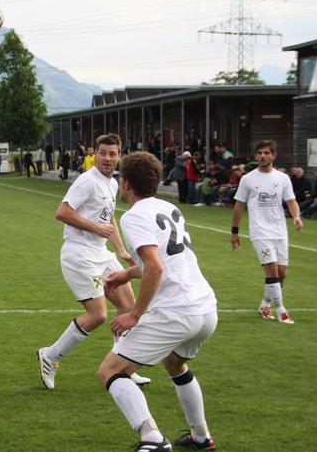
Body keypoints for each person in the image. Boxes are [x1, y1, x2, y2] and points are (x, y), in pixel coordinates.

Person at [98, 151, 217, 452]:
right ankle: (200, 437)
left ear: (126, 183)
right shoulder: (168, 207)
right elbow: (166, 261)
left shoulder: (134, 215)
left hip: (178, 312)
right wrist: (128, 272)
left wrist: (134, 314)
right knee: (175, 363)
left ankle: (153, 439)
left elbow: (155, 267)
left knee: (111, 370)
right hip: (205, 309)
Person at [37, 133, 151, 390]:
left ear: (119, 156)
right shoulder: (87, 181)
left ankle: (121, 367)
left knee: (129, 307)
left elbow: (108, 218)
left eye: (112, 154)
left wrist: (121, 250)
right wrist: (95, 228)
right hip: (80, 255)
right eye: (103, 153)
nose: (107, 158)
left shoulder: (112, 183)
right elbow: (62, 212)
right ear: (95, 154)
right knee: (98, 315)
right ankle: (50, 356)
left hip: (101, 254)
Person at [231, 140, 303, 324]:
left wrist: (296, 216)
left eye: (266, 153)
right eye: (260, 153)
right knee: (272, 270)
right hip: (260, 232)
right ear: (256, 156)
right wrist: (235, 231)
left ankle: (265, 305)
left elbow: (291, 201)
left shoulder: (283, 178)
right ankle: (281, 311)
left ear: (273, 156)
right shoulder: (248, 179)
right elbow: (239, 205)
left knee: (282, 273)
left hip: (279, 231)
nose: (263, 156)